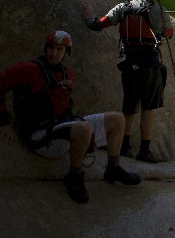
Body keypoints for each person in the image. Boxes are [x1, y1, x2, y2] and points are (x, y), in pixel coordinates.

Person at [0, 31, 141, 203]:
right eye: (50, 48)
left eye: (59, 49)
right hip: (38, 134)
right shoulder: (28, 69)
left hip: (61, 126)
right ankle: (75, 176)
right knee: (84, 128)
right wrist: (4, 122)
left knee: (118, 119)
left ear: (66, 52)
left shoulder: (68, 73)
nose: (53, 53)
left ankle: (113, 168)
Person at [83, 0, 174, 163]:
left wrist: (88, 17)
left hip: (129, 63)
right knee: (148, 107)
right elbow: (169, 34)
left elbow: (98, 25)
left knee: (130, 107)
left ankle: (124, 147)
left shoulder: (122, 7)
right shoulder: (158, 10)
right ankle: (144, 151)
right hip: (150, 63)